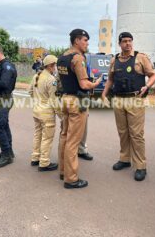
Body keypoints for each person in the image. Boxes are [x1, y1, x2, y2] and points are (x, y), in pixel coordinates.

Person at [102, 32, 155, 181]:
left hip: (135, 99)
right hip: (119, 99)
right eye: (125, 41)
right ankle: (125, 159)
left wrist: (147, 86)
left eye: (130, 41)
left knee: (136, 134)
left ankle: (140, 166)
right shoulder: (115, 60)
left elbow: (153, 75)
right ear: (119, 43)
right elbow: (110, 79)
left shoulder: (140, 57)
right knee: (123, 132)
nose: (128, 43)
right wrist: (104, 94)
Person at [57, 29, 102, 189]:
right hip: (77, 101)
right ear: (77, 41)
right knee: (73, 141)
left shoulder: (62, 58)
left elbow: (61, 81)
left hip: (65, 99)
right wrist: (95, 84)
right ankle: (71, 178)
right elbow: (84, 84)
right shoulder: (77, 58)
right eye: (85, 40)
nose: (87, 43)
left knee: (64, 136)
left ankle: (63, 171)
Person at [29, 54, 62, 171]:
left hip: (36, 111)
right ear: (51, 66)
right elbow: (54, 100)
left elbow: (30, 92)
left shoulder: (36, 76)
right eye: (55, 65)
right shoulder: (51, 79)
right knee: (47, 138)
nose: (56, 68)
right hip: (46, 113)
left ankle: (35, 158)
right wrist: (61, 115)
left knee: (37, 135)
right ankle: (44, 163)